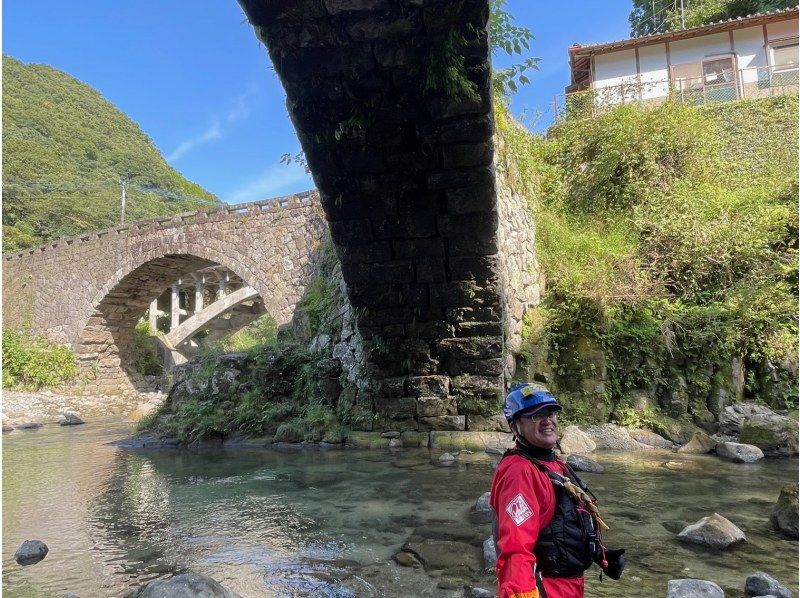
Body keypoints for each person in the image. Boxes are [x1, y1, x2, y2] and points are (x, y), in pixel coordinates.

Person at [490, 383, 624, 598]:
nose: (547, 421)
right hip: (544, 588)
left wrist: (599, 555)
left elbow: (565, 519)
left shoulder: (553, 464)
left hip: (568, 586)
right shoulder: (520, 473)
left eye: (550, 413)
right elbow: (515, 548)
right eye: (535, 416)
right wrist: (521, 593)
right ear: (515, 426)